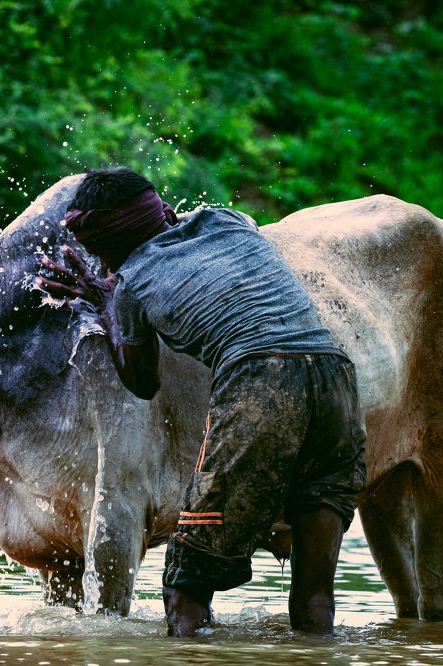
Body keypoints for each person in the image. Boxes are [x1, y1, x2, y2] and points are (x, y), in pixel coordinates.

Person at [37, 167, 366, 636]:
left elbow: (143, 382)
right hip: (336, 378)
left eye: (99, 254)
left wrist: (105, 309)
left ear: (110, 247)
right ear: (161, 210)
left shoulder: (129, 284)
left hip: (261, 379)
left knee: (183, 586)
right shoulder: (224, 219)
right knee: (314, 592)